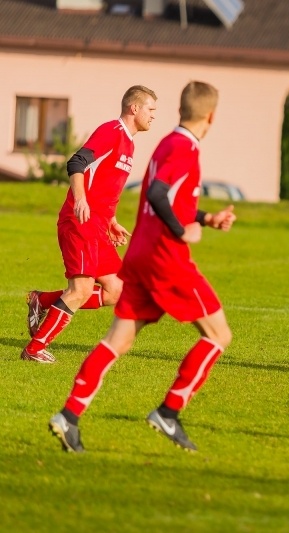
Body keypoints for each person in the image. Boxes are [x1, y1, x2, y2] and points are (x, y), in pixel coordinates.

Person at [49, 81, 236, 453]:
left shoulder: (167, 142)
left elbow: (167, 197)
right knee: (219, 336)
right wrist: (183, 229)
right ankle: (169, 411)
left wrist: (206, 217)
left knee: (117, 341)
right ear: (211, 116)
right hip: (167, 261)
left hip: (139, 257)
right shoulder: (185, 149)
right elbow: (156, 195)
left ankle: (68, 417)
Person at [22, 85, 158, 364]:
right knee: (80, 290)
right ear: (134, 108)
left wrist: (111, 220)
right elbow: (77, 162)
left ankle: (42, 300)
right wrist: (80, 200)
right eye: (150, 109)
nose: (153, 116)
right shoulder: (112, 131)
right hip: (80, 220)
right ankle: (34, 350)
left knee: (117, 290)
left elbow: (105, 186)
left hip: (98, 225)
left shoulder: (130, 143)